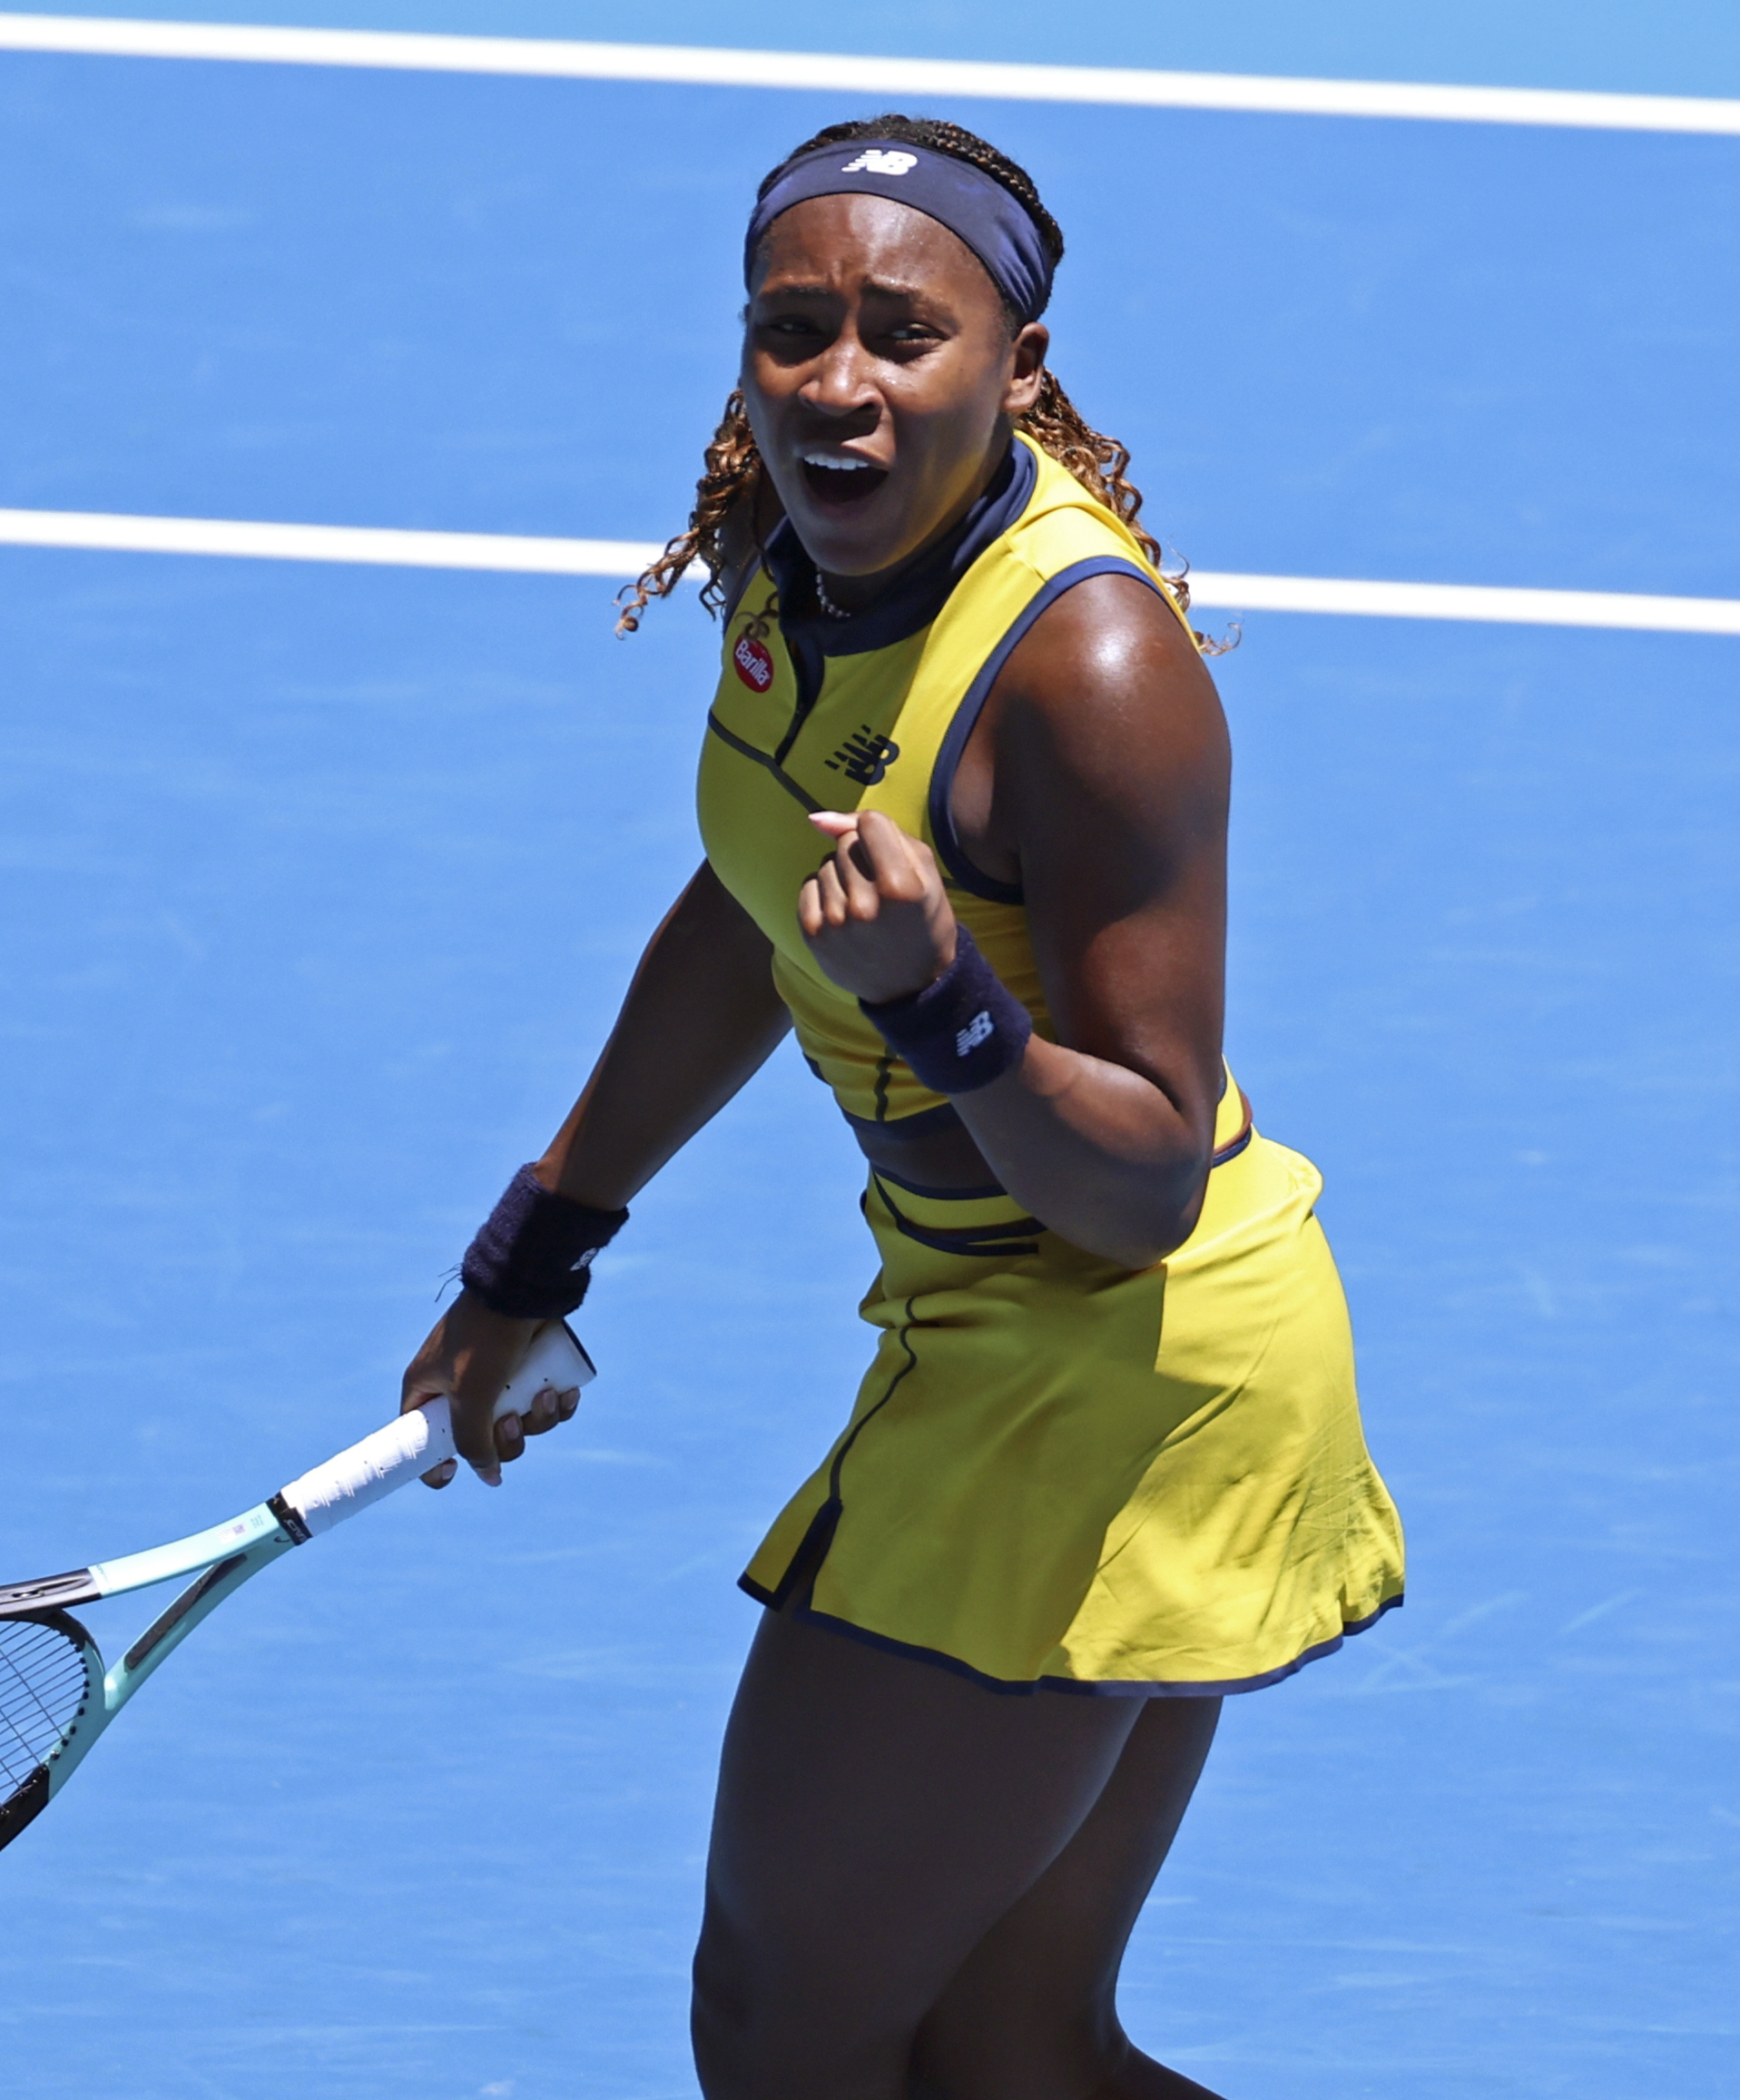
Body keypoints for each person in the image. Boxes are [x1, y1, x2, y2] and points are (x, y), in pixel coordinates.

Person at [398, 113, 1407, 2100]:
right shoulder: (794, 556)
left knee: (789, 2035)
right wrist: (538, 1240)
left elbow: (1138, 1180)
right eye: (792, 329)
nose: (836, 384)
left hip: (1118, 1368)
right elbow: (755, 892)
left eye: (901, 331)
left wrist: (945, 1008)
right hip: (1008, 1333)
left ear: (1013, 366)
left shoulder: (1090, 672)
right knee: (1009, 2056)